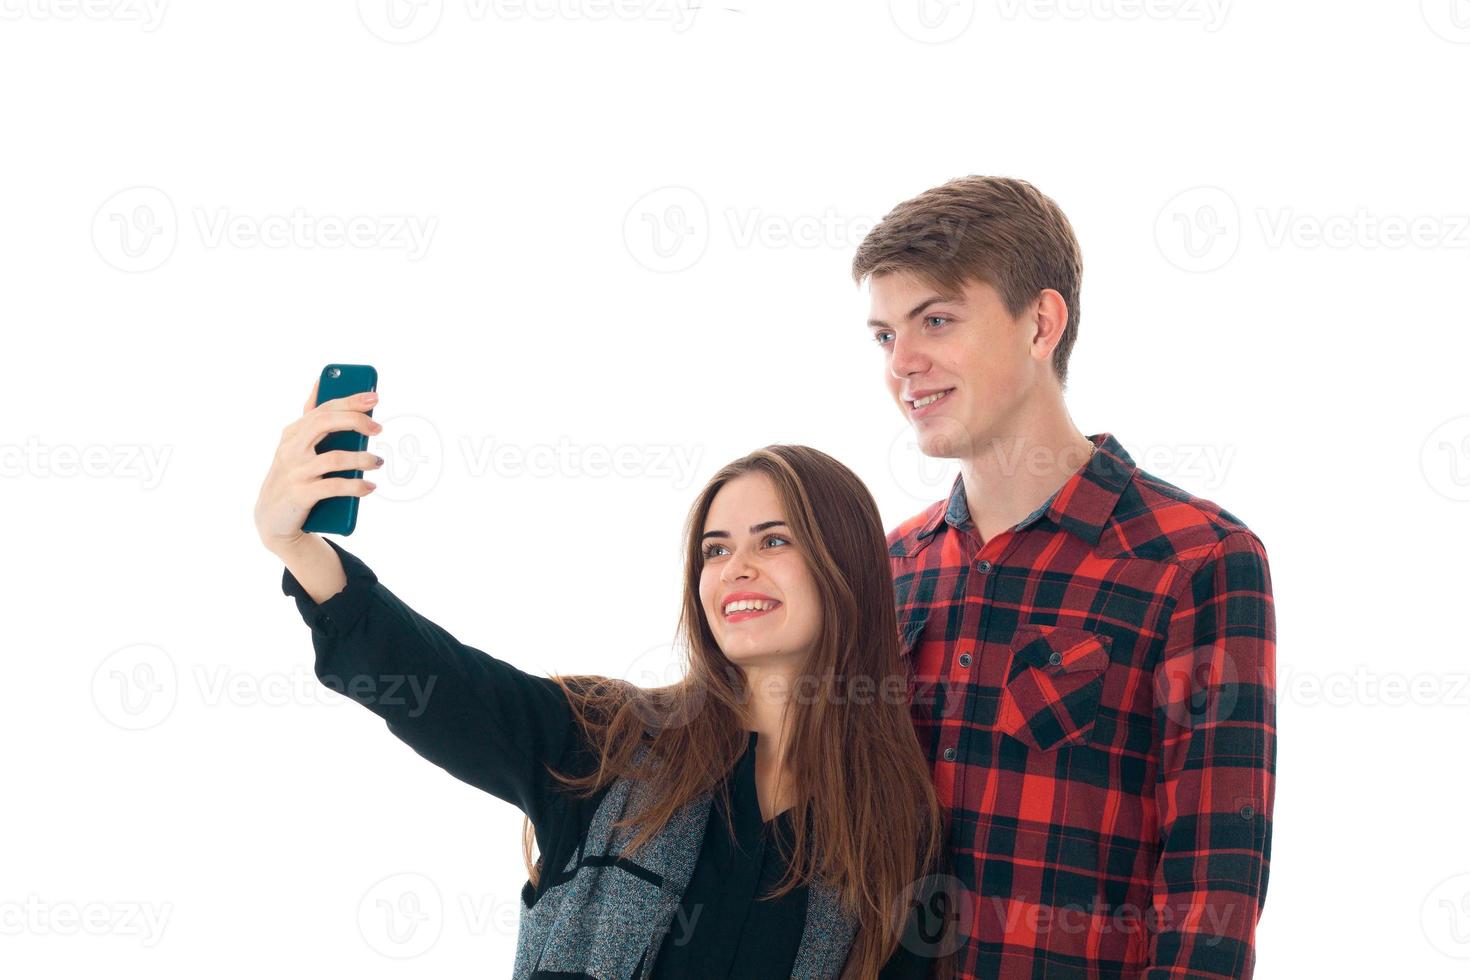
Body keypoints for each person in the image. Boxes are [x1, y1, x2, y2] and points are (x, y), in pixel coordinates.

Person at [254, 387, 960, 978]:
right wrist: (299, 547)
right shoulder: (610, 740)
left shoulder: (893, 827)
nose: (736, 568)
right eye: (716, 550)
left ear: (847, 567)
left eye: (774, 540)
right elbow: (437, 683)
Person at [852, 175, 1277, 978]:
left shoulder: (1198, 559)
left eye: (936, 320)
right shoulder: (888, 567)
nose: (903, 364)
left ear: (1041, 323)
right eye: (882, 337)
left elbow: (1211, 894)